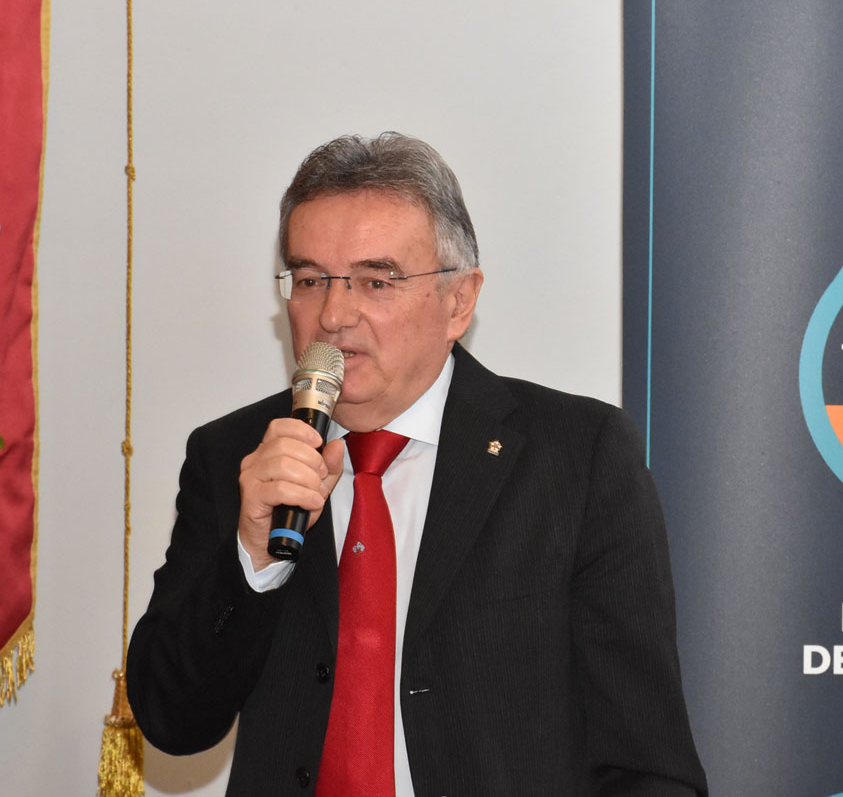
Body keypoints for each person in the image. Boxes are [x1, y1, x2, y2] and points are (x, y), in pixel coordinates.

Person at [126, 132, 708, 796]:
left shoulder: (577, 457)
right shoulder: (236, 457)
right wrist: (251, 558)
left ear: (459, 302)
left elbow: (647, 763)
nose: (333, 315)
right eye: (310, 280)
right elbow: (173, 721)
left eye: (376, 281)